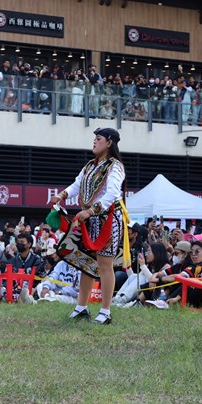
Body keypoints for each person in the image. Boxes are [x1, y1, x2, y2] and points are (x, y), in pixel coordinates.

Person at [50, 127, 130, 324]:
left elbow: (112, 194)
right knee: (86, 263)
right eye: (94, 138)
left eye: (99, 138)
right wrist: (62, 195)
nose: (94, 141)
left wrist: (90, 211)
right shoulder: (89, 165)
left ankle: (105, 311)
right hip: (90, 218)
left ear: (109, 143)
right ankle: (81, 307)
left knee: (104, 264)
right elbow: (77, 184)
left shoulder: (115, 166)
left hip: (108, 217)